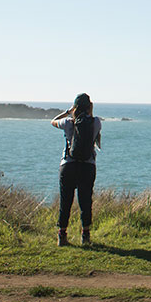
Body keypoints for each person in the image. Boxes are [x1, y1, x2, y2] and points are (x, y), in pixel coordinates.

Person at [50, 93, 102, 247]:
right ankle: (85, 236)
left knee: (65, 201)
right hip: (88, 165)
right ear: (89, 107)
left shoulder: (67, 122)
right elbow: (93, 128)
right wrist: (90, 112)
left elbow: (52, 121)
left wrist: (68, 112)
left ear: (75, 107)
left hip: (68, 165)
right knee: (85, 201)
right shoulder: (96, 122)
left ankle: (62, 236)